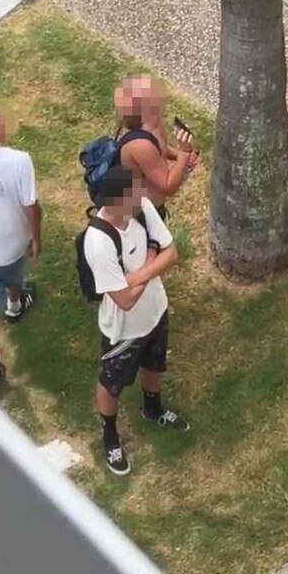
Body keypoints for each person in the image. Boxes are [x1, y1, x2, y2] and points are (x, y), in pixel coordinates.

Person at [83, 166, 189, 476]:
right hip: (123, 331)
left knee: (155, 364)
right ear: (115, 203)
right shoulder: (98, 242)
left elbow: (172, 252)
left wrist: (139, 272)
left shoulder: (139, 207)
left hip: (156, 310)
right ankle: (110, 435)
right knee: (112, 382)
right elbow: (125, 301)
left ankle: (152, 408)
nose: (142, 199)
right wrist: (153, 258)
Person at [0, 99, 41, 393]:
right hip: (12, 240)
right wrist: (35, 235)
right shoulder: (19, 160)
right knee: (14, 276)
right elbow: (31, 205)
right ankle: (16, 305)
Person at [113, 75, 199, 219]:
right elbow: (167, 186)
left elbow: (161, 149)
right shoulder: (140, 145)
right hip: (138, 216)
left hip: (154, 210)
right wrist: (184, 153)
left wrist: (178, 156)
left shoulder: (155, 125)